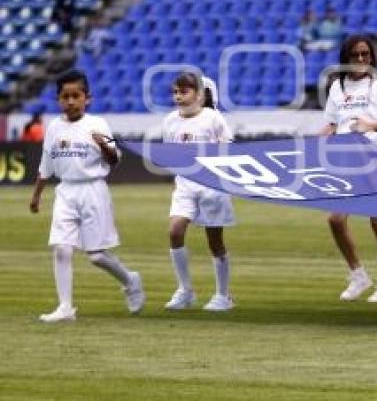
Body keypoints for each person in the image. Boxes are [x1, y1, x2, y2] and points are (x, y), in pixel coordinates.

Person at [29, 70, 145, 322]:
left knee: (97, 256)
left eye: (76, 96)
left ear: (87, 98)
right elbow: (45, 165)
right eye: (65, 97)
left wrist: (104, 147)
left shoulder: (97, 124)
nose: (70, 101)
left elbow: (114, 159)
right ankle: (65, 308)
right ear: (58, 100)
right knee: (61, 248)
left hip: (93, 190)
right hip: (66, 191)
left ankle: (129, 279)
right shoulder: (54, 128)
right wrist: (36, 195)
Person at [321, 36, 377, 303]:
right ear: (346, 57)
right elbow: (331, 124)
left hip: (376, 158)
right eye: (355, 55)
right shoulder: (337, 87)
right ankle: (358, 275)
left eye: (365, 54)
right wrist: (316, 141)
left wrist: (371, 125)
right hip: (345, 159)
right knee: (335, 219)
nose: (360, 59)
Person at [162, 73, 236, 311]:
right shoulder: (170, 121)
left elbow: (228, 148)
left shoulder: (213, 119)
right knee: (175, 231)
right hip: (184, 184)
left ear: (198, 94)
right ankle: (185, 290)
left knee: (214, 241)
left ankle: (223, 295)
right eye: (175, 92)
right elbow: (170, 153)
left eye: (184, 91)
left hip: (212, 185)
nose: (178, 96)